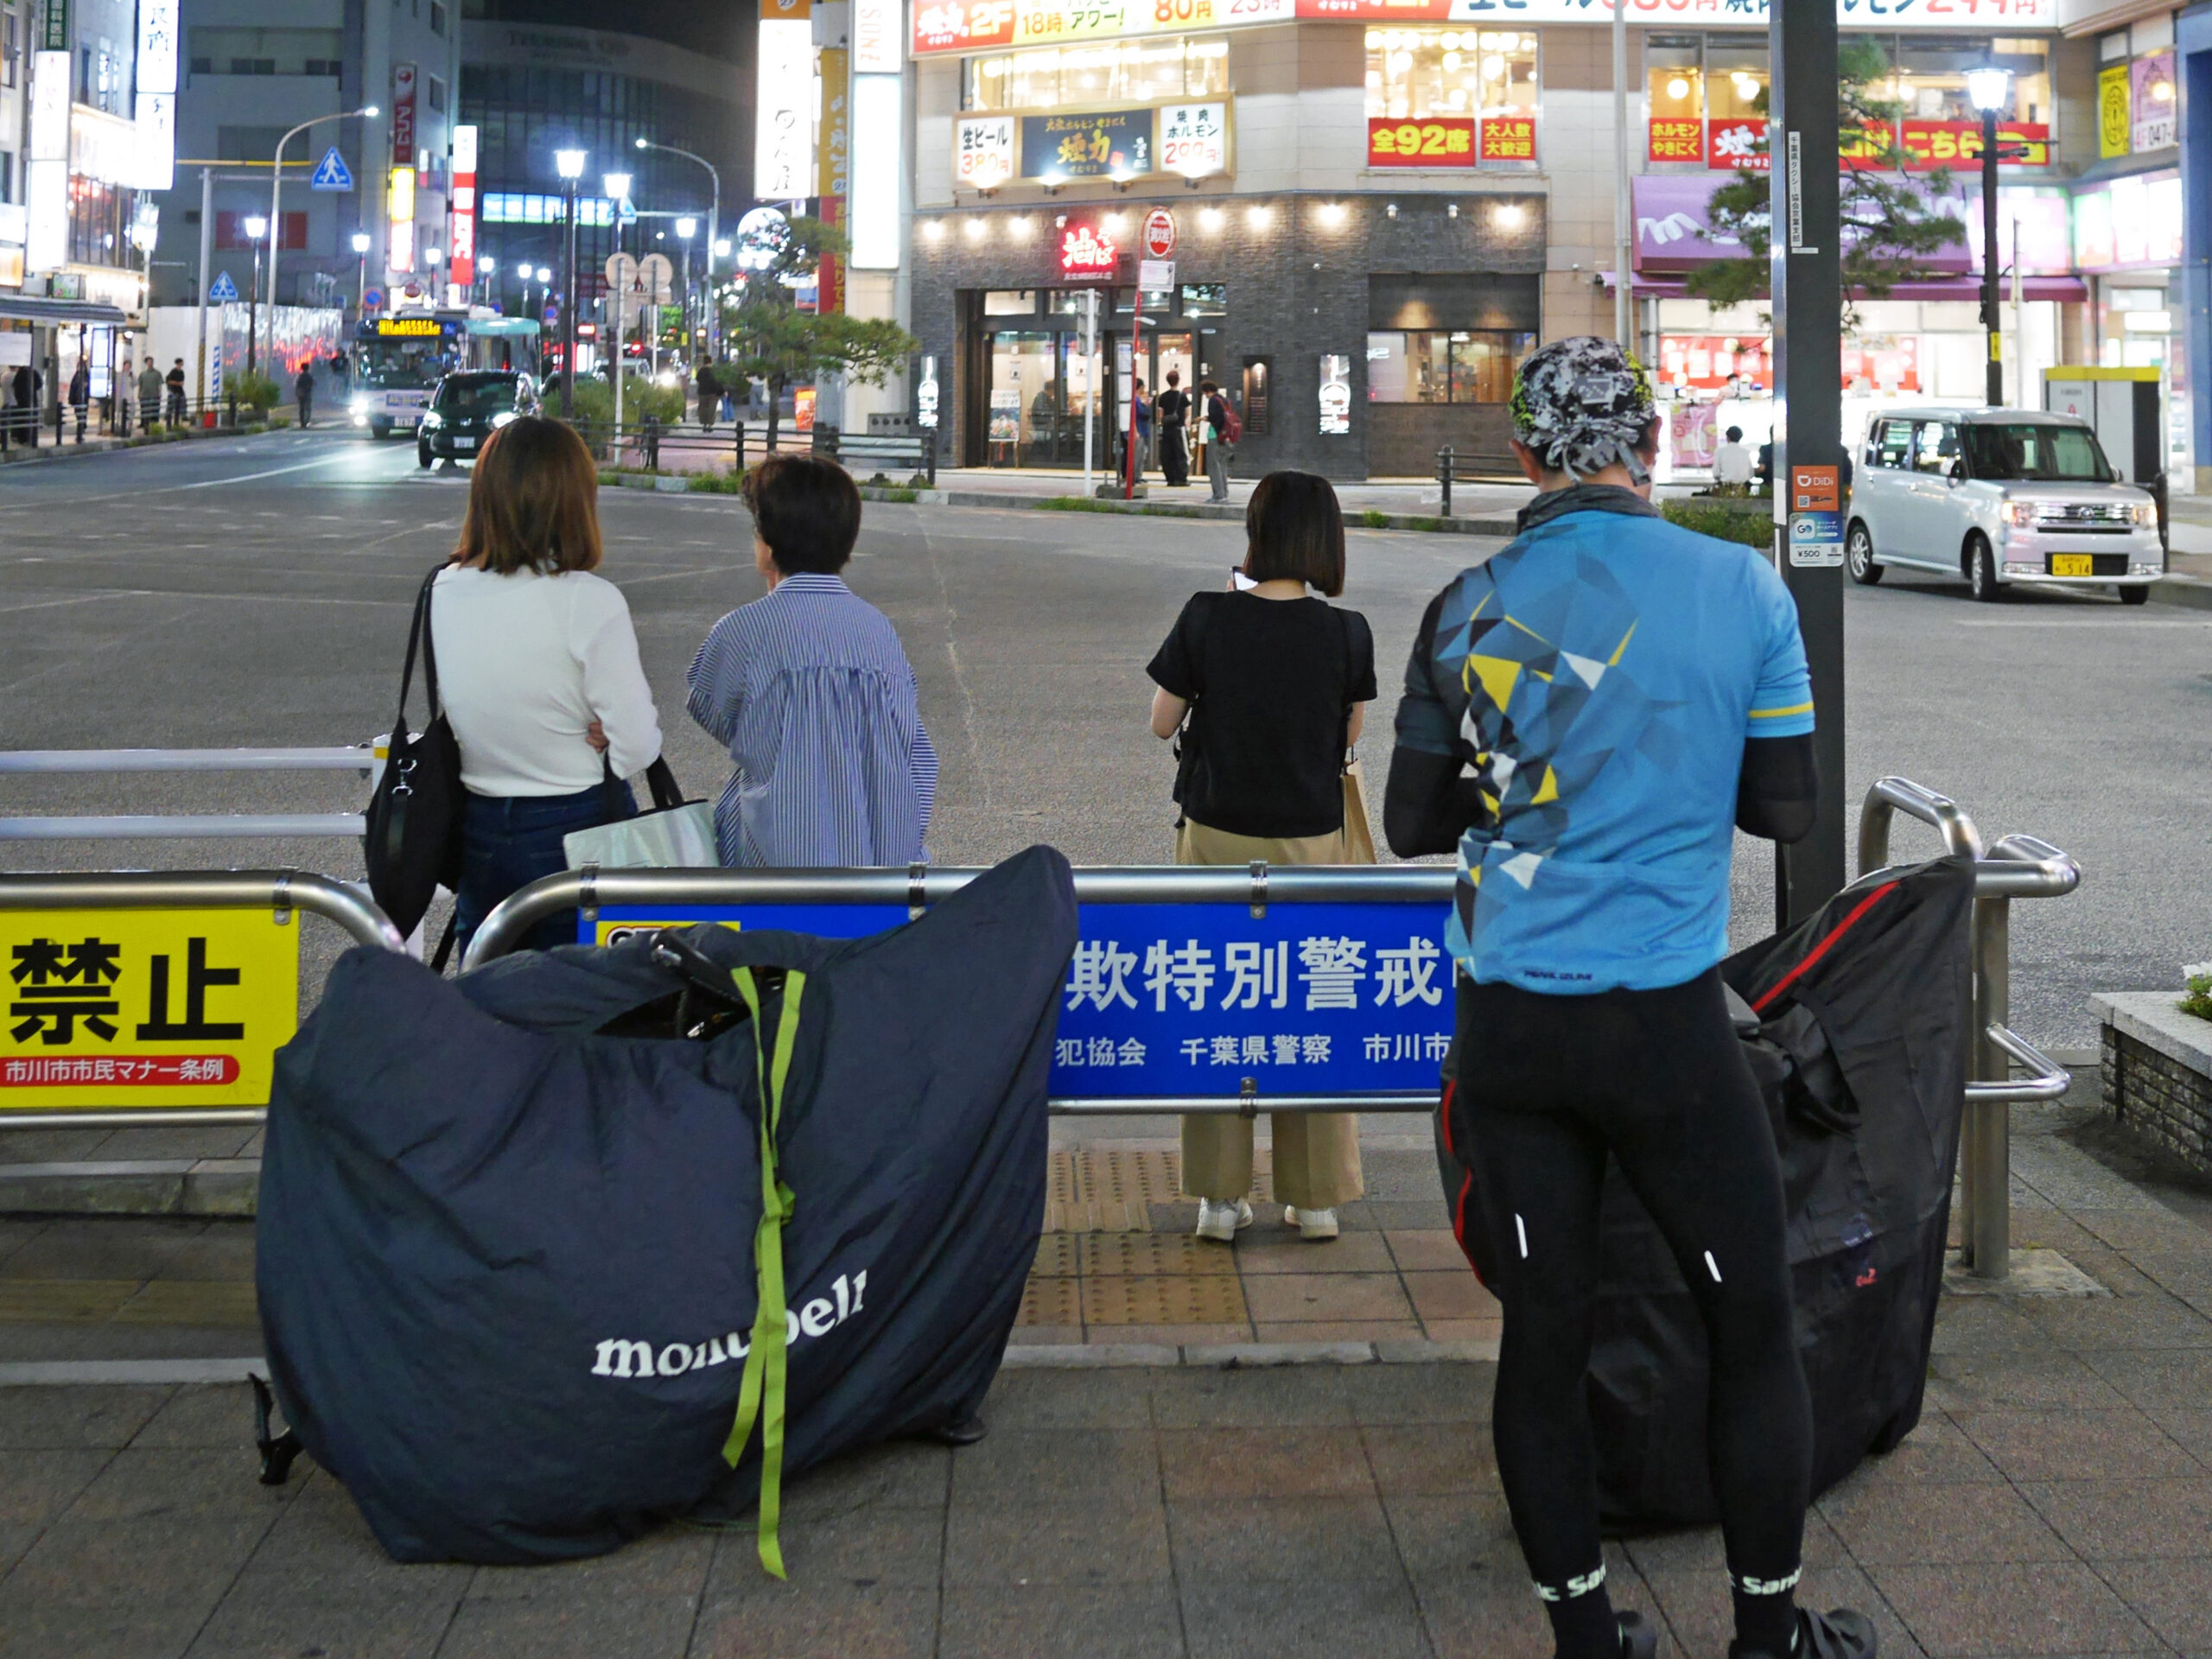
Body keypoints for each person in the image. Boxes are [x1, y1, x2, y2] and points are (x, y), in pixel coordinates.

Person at [1383, 337, 1870, 1659]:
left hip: (1514, 1033)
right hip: (1663, 1032)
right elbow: (1787, 809)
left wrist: (1533, 785)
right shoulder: (1743, 589)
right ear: (1645, 446)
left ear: (1528, 453)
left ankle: (1588, 1643)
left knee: (1544, 1333)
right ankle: (1767, 1642)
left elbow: (1411, 822)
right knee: (1748, 1315)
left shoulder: (1469, 605)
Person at [1147, 471, 1376, 1243]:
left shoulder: (1207, 616)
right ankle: (1314, 1198)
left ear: (1256, 534)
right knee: (1311, 1000)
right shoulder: (1348, 633)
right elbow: (1349, 738)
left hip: (1215, 831)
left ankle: (1218, 1196)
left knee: (1218, 1001)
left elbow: (1160, 722)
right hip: (1311, 839)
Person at [428, 416, 664, 957]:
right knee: (584, 1000)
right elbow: (639, 747)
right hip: (579, 826)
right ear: (574, 500)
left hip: (480, 824)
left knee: (490, 995)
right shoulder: (590, 600)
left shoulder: (440, 588)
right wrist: (605, 733)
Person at [687, 454, 937, 868]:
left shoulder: (744, 629)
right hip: (878, 857)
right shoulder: (878, 630)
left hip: (775, 859)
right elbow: (912, 745)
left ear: (768, 543)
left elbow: (711, 710)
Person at [1197, 378, 1231, 503]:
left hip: (1214, 436)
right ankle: (1224, 493)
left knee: (1213, 466)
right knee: (1222, 466)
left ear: (1207, 391)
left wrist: (1205, 419)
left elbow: (1215, 418)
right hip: (1224, 436)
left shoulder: (1212, 401)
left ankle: (1218, 495)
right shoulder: (1223, 399)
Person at [1156, 370, 1190, 487]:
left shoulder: (1163, 397)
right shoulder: (1182, 396)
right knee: (1180, 453)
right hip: (1178, 429)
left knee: (1167, 454)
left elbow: (1160, 414)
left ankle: (1170, 478)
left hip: (1167, 429)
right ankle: (1181, 478)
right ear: (1178, 380)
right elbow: (1187, 414)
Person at [1714, 423, 1753, 488]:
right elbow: (1751, 474)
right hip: (1743, 487)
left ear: (1727, 437)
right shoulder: (1745, 452)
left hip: (1726, 487)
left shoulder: (1720, 451)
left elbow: (1716, 474)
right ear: (1740, 438)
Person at [12, 362, 40, 448]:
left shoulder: (19, 374)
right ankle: (33, 439)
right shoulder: (33, 372)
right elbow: (39, 384)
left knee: (21, 419)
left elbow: (14, 386)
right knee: (33, 420)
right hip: (32, 400)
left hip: (21, 401)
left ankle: (22, 438)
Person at [137, 357, 164, 434]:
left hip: (154, 394)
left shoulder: (157, 373)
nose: (150, 363)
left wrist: (159, 392)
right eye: (149, 362)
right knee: (144, 410)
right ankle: (144, 424)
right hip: (144, 394)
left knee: (154, 409)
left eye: (151, 362)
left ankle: (154, 424)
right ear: (146, 363)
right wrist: (139, 393)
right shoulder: (143, 374)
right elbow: (140, 385)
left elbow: (160, 384)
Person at [696, 359, 721, 434]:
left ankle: (704, 424)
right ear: (711, 362)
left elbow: (697, 379)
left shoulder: (701, 371)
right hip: (713, 393)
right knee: (712, 409)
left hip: (702, 392)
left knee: (703, 408)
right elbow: (717, 382)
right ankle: (710, 426)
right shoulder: (713, 371)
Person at [165, 359, 188, 428]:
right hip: (173, 391)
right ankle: (168, 425)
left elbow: (182, 382)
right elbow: (169, 381)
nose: (181, 366)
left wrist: (180, 384)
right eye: (180, 364)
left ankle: (176, 424)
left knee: (178, 407)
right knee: (170, 408)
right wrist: (177, 383)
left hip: (179, 391)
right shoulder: (173, 372)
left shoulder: (181, 372)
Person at [295, 364, 316, 429]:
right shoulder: (309, 376)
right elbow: (314, 383)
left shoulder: (299, 376)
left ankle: (302, 422)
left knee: (301, 408)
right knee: (308, 408)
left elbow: (296, 384)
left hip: (301, 393)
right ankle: (306, 421)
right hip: (307, 393)